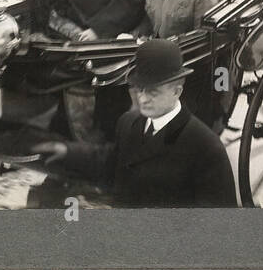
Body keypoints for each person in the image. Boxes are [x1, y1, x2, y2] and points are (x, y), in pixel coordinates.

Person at [32, 39, 237, 207]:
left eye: (153, 92)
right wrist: (68, 151)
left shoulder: (205, 147)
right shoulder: (129, 124)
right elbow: (110, 163)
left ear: (177, 91)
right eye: (140, 90)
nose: (143, 99)